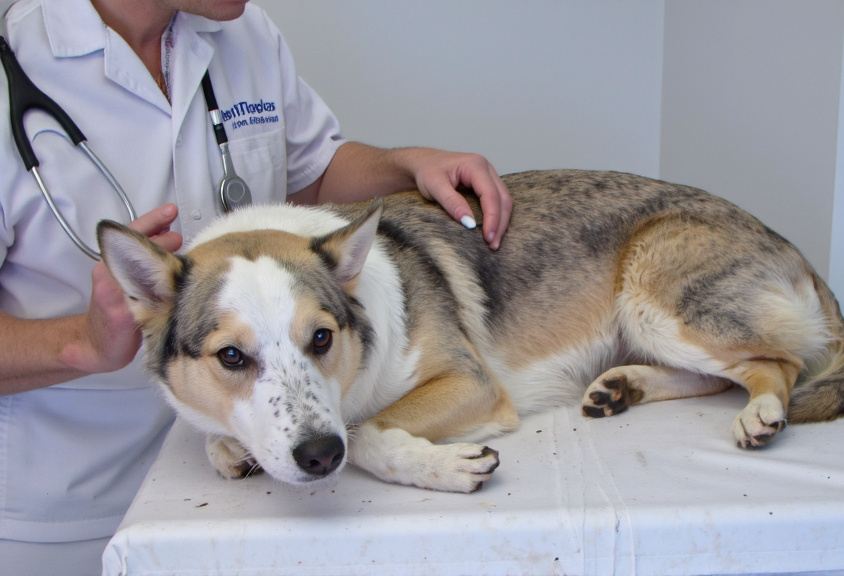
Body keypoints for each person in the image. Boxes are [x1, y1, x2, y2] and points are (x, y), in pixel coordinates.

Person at [0, 0, 513, 573]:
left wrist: (406, 163)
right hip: (63, 509)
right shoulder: (13, 64)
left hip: (245, 480)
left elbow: (313, 171)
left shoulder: (240, 28)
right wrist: (83, 344)